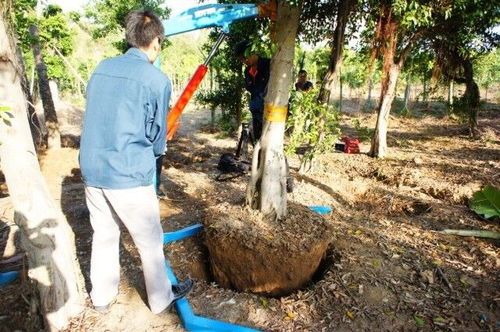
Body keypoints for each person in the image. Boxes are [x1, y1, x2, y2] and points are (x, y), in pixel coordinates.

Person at [79, 9, 193, 314]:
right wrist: (156, 153)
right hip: (128, 172)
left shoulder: (102, 68)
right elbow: (157, 137)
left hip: (92, 169)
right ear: (156, 41)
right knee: (149, 241)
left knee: (104, 234)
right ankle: (160, 298)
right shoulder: (156, 79)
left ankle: (101, 297)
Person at [234, 41, 270, 142]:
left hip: (268, 113)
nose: (244, 61)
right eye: (241, 59)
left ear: (252, 52)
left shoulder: (268, 65)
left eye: (245, 57)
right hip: (256, 112)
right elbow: (250, 89)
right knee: (257, 140)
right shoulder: (247, 71)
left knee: (267, 141)